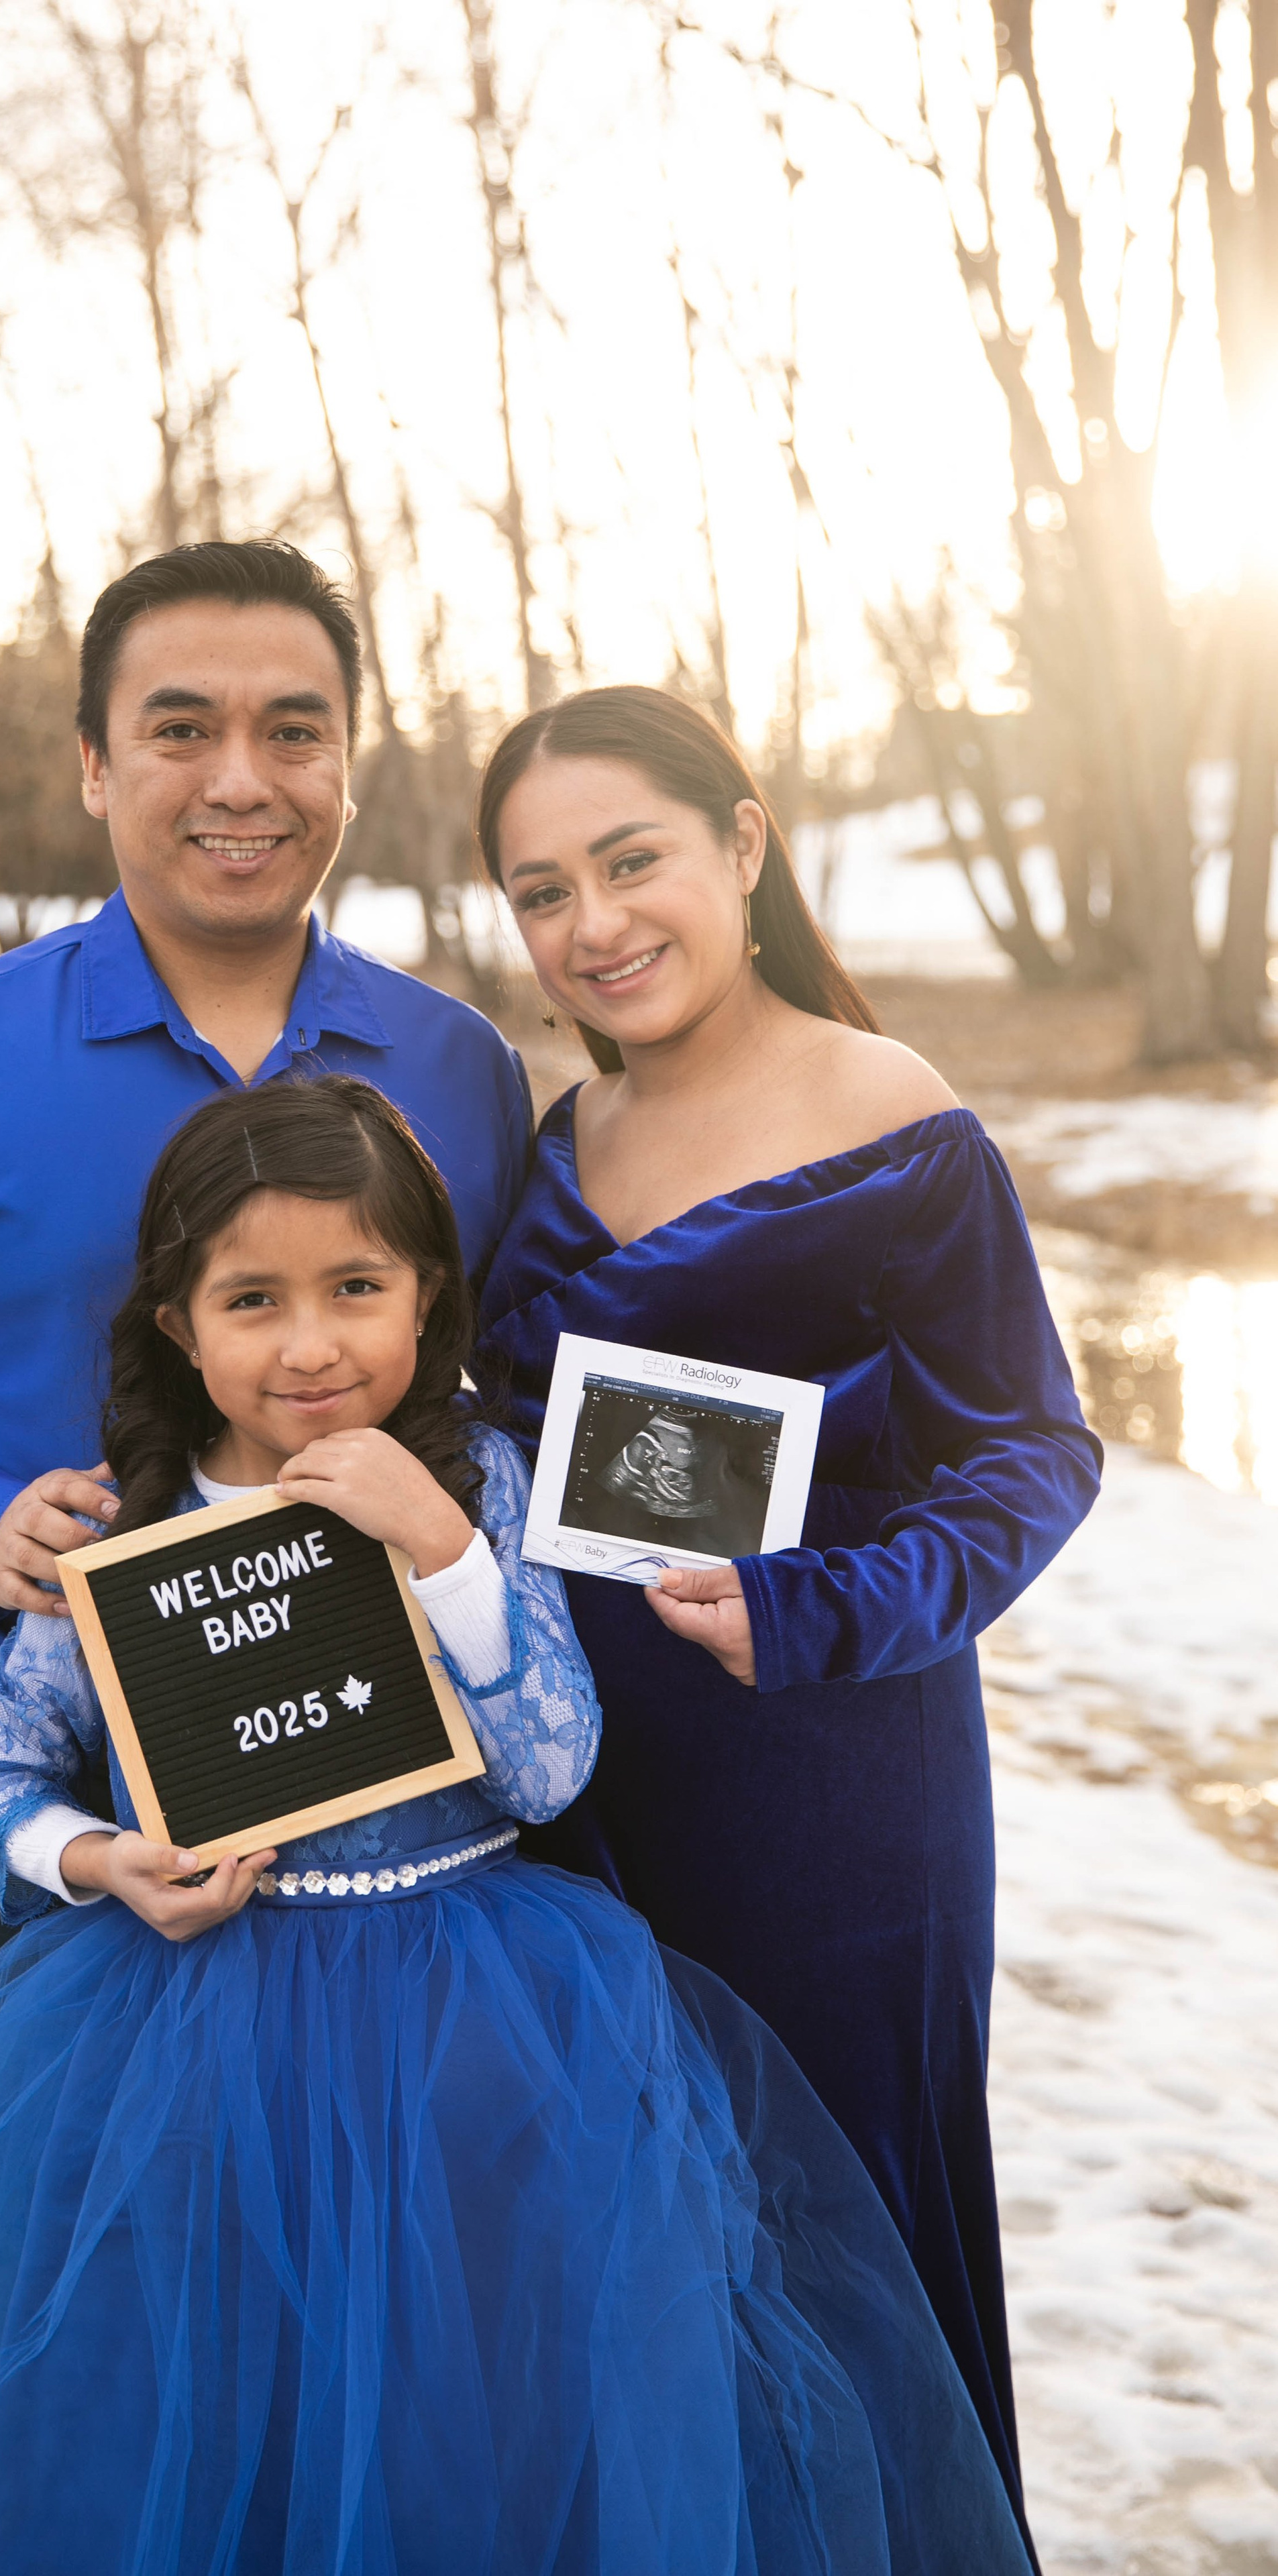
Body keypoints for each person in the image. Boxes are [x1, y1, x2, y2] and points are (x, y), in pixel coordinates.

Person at [0, 1077, 1031, 2576]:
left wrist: (441, 1547)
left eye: (357, 1288)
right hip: (187, 2032)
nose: (309, 1344)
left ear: (426, 1301)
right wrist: (95, 1862)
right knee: (218, 2392)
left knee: (462, 2399)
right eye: (251, 1298)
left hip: (470, 2025)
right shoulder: (120, 1532)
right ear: (176, 1325)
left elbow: (546, 1768)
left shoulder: (476, 1485)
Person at [0, 541, 531, 2055]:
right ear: (97, 765)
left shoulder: (458, 1071)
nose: (242, 780)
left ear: (348, 768)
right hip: (44, 1808)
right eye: (181, 729)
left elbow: (499, 1379)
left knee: (380, 2280)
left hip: (398, 1837)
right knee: (40, 2278)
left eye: (294, 731)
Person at [472, 686, 1102, 2561]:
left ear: (743, 846)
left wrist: (821, 1609)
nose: (594, 922)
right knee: (641, 2249)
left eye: (632, 859)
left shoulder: (892, 1116)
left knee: (837, 2239)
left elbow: (1031, 1456)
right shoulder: (562, 1127)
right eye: (542, 888)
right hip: (581, 1779)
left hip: (825, 1783)